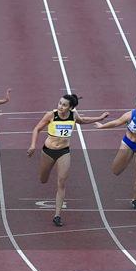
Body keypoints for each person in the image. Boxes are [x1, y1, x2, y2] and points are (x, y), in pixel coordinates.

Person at [27, 94, 108, 226]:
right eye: (59, 103)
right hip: (48, 151)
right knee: (43, 179)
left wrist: (100, 118)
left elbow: (83, 120)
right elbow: (37, 129)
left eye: (64, 105)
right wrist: (32, 145)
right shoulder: (51, 115)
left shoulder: (73, 115)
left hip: (64, 152)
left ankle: (57, 215)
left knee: (62, 182)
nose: (60, 106)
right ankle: (46, 175)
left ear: (70, 107)